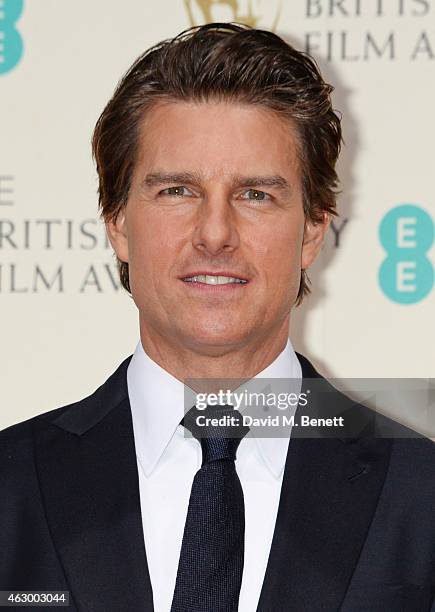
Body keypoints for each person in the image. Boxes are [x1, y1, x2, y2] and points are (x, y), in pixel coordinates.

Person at [0, 22, 434, 612]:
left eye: (256, 194)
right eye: (177, 190)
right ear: (118, 222)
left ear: (312, 230)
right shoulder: (10, 487)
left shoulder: (421, 495)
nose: (215, 233)